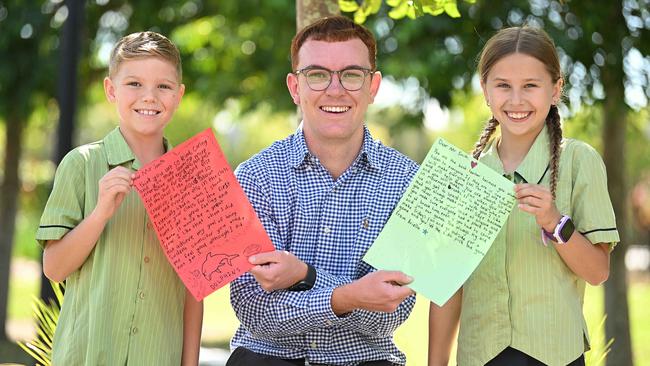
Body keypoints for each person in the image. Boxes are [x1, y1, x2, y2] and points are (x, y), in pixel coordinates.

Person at [226, 16, 417, 366]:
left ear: (372, 86)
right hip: (266, 358)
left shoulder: (407, 181)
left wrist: (304, 276)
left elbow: (392, 312)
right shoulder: (256, 177)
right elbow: (253, 307)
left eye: (351, 74)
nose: (334, 89)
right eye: (317, 74)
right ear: (294, 87)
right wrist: (349, 295)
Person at [428, 26, 620, 366]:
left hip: (554, 356)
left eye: (530, 86)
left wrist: (555, 222)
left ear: (556, 88)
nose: (516, 100)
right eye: (503, 86)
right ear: (485, 90)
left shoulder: (580, 161)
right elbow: (447, 288)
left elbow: (597, 271)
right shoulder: (465, 176)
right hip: (479, 356)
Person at [37, 31, 203, 365]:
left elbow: (193, 290)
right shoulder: (80, 165)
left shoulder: (192, 181)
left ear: (179, 94)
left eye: (164, 86)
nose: (150, 97)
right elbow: (54, 269)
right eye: (134, 84)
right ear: (111, 90)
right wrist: (100, 213)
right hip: (86, 355)